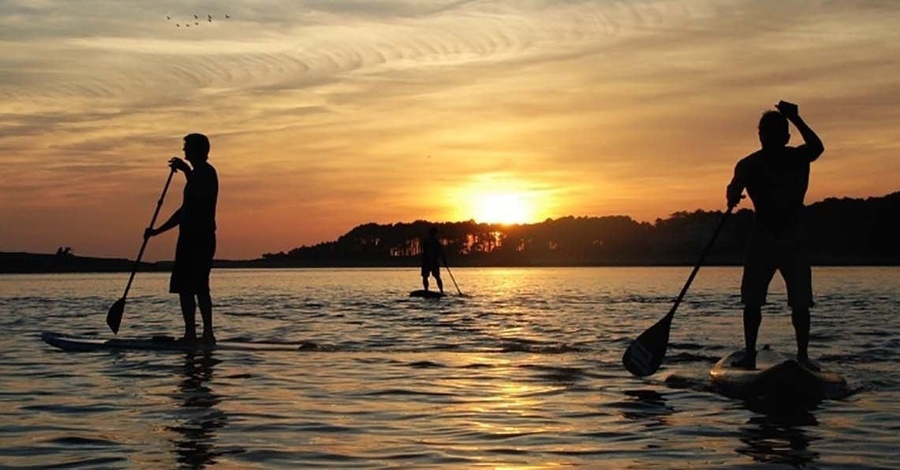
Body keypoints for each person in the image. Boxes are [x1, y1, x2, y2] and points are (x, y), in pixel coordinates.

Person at [726, 101, 824, 370]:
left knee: (800, 302)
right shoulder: (748, 164)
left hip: (793, 238)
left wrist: (796, 117)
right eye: (764, 133)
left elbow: (818, 147)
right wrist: (732, 195)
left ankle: (802, 356)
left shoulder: (798, 156)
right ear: (759, 135)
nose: (767, 138)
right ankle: (749, 354)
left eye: (773, 134)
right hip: (762, 239)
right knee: (752, 301)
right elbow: (733, 185)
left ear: (786, 136)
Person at [145, 133, 219, 344]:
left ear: (198, 150)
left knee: (198, 287)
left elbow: (199, 197)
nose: (184, 151)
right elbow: (184, 211)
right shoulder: (197, 175)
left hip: (200, 238)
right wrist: (156, 231)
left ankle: (206, 334)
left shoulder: (206, 173)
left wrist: (186, 171)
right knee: (186, 288)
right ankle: (192, 334)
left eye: (187, 147)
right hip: (188, 238)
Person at [421, 226, 447, 294]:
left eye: (433, 233)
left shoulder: (436, 242)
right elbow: (424, 252)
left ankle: (441, 291)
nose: (432, 234)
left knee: (437, 276)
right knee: (425, 277)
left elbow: (441, 252)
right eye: (430, 233)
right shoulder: (426, 241)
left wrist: (444, 261)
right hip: (426, 261)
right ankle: (426, 290)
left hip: (434, 261)